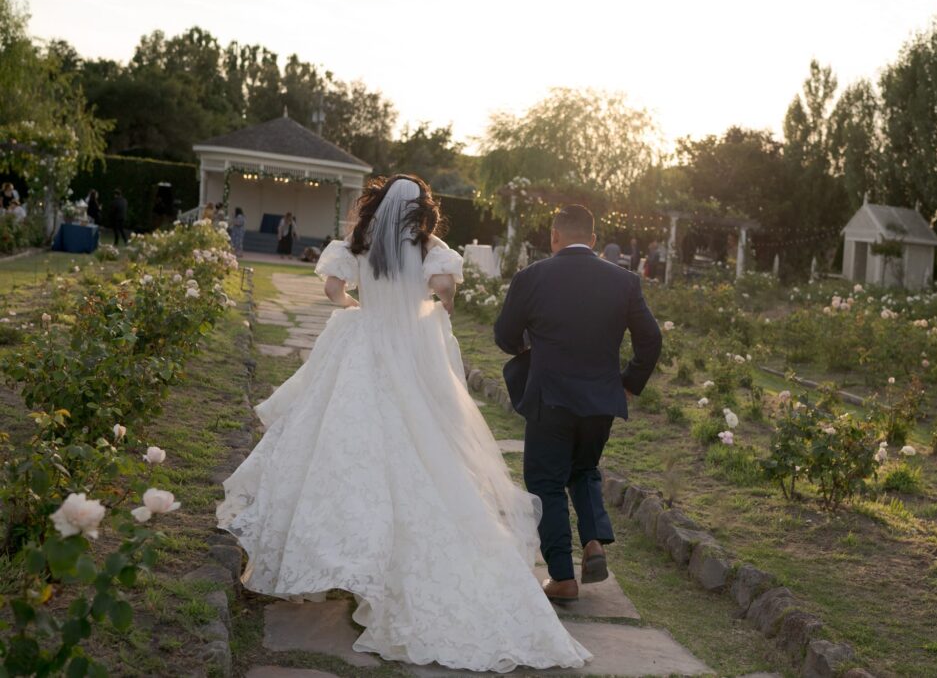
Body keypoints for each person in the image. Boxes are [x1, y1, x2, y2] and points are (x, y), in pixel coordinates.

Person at [217, 175, 590, 672]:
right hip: (410, 354)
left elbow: (332, 288)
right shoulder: (429, 245)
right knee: (423, 446)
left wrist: (355, 308)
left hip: (363, 347)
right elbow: (445, 291)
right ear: (420, 210)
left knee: (342, 446)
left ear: (379, 204)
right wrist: (434, 305)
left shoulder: (358, 240)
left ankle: (341, 555)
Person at [494, 205, 662, 603]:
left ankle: (562, 576)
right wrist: (630, 384)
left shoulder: (532, 277)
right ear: (593, 240)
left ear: (554, 237)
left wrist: (527, 348)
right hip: (601, 399)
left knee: (545, 480)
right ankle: (594, 542)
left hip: (550, 397)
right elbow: (650, 339)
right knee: (584, 469)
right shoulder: (625, 281)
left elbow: (504, 334)